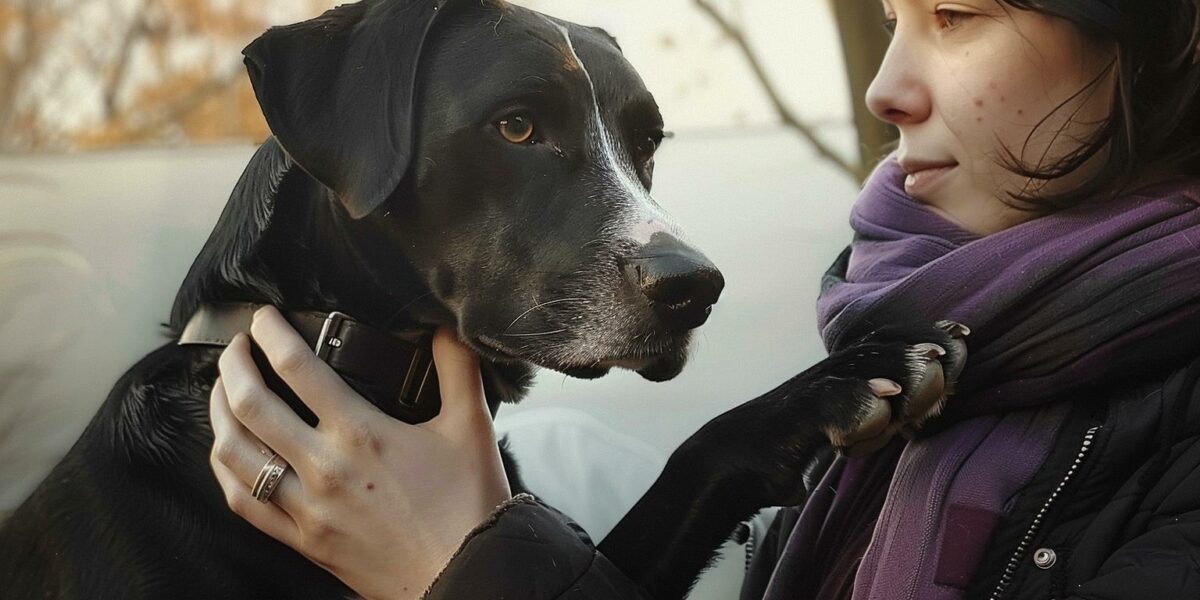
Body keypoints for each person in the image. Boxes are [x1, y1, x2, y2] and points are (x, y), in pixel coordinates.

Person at [209, 0, 1200, 598]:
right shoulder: (918, 363)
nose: (884, 88)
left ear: (1161, 41)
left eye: (958, 15)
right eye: (893, 19)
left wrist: (459, 570)